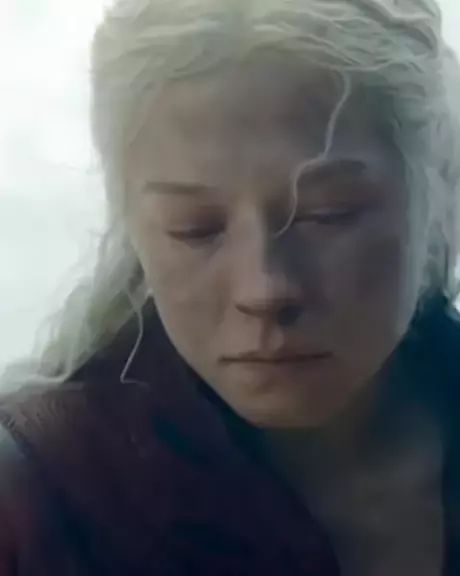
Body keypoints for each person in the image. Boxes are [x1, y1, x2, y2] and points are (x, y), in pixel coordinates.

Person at [1, 0, 460, 574]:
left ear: (437, 193)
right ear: (134, 229)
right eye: (195, 229)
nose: (264, 288)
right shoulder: (38, 502)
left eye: (327, 214)